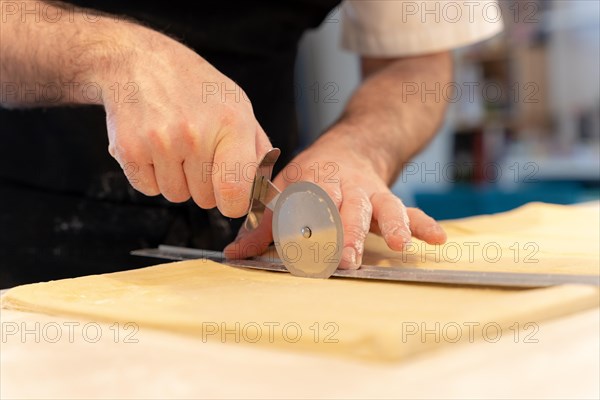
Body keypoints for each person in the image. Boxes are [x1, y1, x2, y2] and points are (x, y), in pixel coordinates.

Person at [0, 0, 503, 287]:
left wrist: (360, 147)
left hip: (260, 251)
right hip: (25, 237)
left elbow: (414, 61)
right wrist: (110, 58)